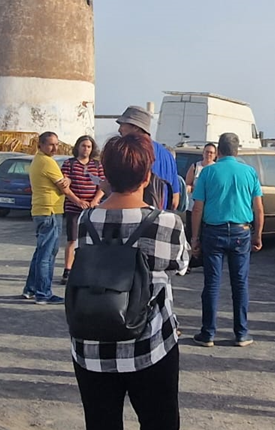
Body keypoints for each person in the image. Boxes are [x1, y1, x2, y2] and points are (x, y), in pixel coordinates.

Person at [70, 133, 189, 430]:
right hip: (151, 348)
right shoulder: (165, 222)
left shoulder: (86, 219)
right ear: (147, 175)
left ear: (104, 173)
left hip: (93, 349)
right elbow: (180, 266)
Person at [189, 132, 263, 347]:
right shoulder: (249, 172)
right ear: (237, 150)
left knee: (212, 284)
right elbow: (258, 208)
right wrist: (257, 234)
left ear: (218, 151)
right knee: (240, 284)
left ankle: (208, 333)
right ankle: (241, 333)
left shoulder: (208, 172)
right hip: (241, 232)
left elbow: (197, 208)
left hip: (213, 232)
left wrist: (195, 238)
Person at [23, 131, 85, 304]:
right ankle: (43, 293)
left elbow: (63, 181)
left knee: (41, 252)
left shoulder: (39, 160)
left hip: (42, 210)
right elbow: (63, 187)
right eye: (51, 144)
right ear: (41, 145)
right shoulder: (47, 162)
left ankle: (31, 289)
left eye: (57, 144)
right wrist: (78, 201)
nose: (55, 147)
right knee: (47, 254)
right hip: (49, 211)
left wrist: (67, 180)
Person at [116, 106, 181, 211]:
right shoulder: (168, 155)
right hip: (160, 219)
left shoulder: (132, 153)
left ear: (136, 127)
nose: (119, 130)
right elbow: (175, 201)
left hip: (136, 218)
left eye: (123, 125)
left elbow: (122, 195)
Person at [60, 136, 105, 285]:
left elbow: (103, 186)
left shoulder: (97, 165)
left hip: (92, 209)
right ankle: (68, 270)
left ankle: (88, 270)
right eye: (83, 146)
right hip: (73, 207)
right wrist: (77, 201)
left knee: (91, 240)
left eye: (89, 146)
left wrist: (94, 201)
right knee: (72, 239)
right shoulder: (69, 164)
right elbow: (64, 185)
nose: (86, 149)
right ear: (78, 147)